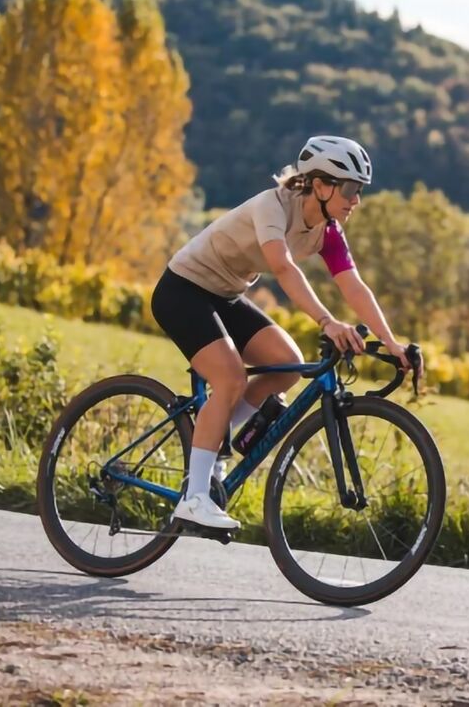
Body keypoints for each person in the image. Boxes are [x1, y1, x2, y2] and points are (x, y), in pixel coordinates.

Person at [150, 135, 418, 530]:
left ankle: (214, 448)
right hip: (183, 290)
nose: (356, 200)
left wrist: (392, 343)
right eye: (350, 189)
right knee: (230, 378)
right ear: (320, 185)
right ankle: (193, 498)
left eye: (359, 190)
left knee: (287, 365)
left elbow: (354, 286)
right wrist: (327, 321)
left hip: (225, 294)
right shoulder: (271, 206)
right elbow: (283, 267)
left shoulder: (328, 230)